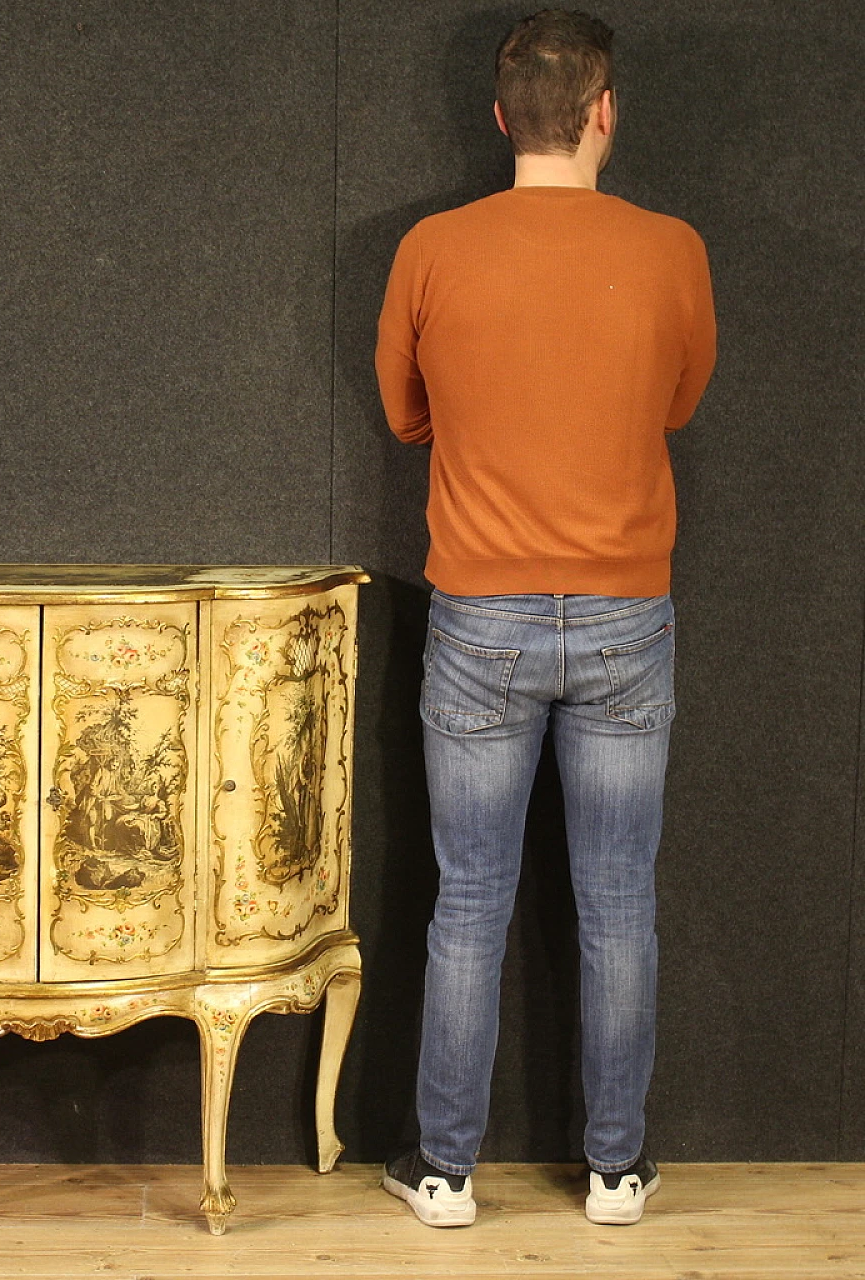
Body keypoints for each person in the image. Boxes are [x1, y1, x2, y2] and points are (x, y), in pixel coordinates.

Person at [374, 9, 716, 1228]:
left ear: (500, 116)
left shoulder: (429, 248)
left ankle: (444, 1172)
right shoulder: (671, 248)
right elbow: (679, 400)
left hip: (480, 618)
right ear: (604, 111)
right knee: (619, 898)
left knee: (467, 899)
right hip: (627, 614)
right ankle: (615, 1170)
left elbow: (403, 413)